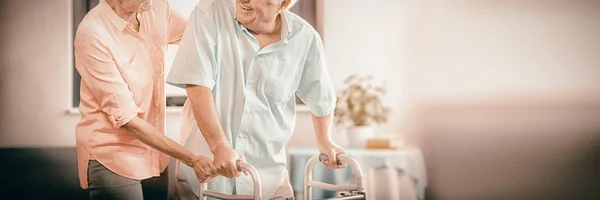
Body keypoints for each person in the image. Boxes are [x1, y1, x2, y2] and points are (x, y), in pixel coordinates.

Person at [166, 0, 347, 199]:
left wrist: (325, 141)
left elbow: (321, 96)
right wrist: (219, 146)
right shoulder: (210, 11)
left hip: (269, 178)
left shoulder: (304, 38)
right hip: (205, 176)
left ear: (282, 5)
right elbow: (197, 84)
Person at [73, 0, 216, 199]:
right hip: (113, 157)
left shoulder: (156, 8)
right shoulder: (92, 33)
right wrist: (191, 159)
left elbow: (199, 34)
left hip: (155, 154)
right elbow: (127, 120)